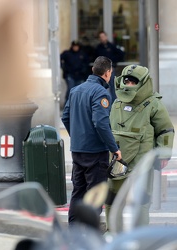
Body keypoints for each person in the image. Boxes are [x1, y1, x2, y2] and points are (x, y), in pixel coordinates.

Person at [105, 64, 175, 231]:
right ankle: (113, 232)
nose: (129, 84)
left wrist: (163, 155)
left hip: (143, 160)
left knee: (142, 199)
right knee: (112, 198)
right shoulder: (116, 102)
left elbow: (165, 129)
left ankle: (140, 233)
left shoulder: (153, 104)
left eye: (133, 82)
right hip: (118, 159)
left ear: (143, 83)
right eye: (126, 81)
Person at [61, 56, 122, 225]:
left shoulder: (75, 90)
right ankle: (90, 233)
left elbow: (65, 117)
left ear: (93, 70)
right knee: (95, 194)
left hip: (77, 150)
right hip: (95, 152)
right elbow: (101, 123)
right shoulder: (101, 92)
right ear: (108, 73)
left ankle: (73, 230)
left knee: (78, 192)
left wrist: (78, 137)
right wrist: (114, 148)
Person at [96, 31, 125, 101]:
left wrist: (113, 61)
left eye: (103, 36)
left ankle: (113, 102)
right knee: (102, 86)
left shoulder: (112, 46)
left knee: (112, 86)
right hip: (101, 70)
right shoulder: (98, 48)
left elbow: (121, 54)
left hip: (110, 69)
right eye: (101, 37)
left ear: (106, 37)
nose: (102, 38)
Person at [60, 40, 90, 107]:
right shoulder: (67, 53)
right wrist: (64, 68)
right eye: (74, 46)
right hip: (70, 75)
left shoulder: (82, 54)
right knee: (70, 90)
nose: (75, 48)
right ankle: (67, 106)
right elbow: (59, 58)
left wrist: (83, 70)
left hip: (80, 76)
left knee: (79, 92)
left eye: (77, 46)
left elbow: (86, 63)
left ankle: (78, 106)